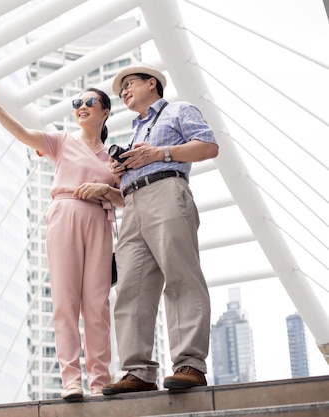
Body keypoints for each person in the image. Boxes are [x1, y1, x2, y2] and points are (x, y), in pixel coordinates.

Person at [0, 74, 119, 399]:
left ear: (105, 112)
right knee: (64, 301)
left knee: (97, 306)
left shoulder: (114, 157)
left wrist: (105, 190)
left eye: (89, 102)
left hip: (99, 220)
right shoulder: (62, 141)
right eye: (77, 103)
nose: (81, 107)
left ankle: (99, 382)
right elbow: (23, 134)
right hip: (65, 214)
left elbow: (127, 199)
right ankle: (71, 381)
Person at [101, 63, 219, 395]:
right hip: (133, 203)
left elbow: (208, 146)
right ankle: (138, 371)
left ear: (151, 83)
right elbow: (137, 168)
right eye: (121, 89)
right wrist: (118, 172)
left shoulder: (178, 110)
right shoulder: (137, 130)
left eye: (129, 84)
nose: (123, 91)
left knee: (181, 275)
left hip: (167, 192)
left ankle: (190, 364)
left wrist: (160, 153)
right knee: (130, 289)